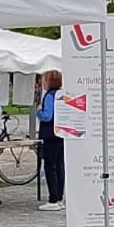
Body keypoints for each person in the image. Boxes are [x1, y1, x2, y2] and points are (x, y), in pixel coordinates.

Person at [36, 69, 65, 210]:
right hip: (60, 134)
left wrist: (38, 111)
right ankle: (59, 197)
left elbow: (47, 115)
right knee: (59, 165)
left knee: (50, 166)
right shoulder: (60, 94)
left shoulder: (49, 96)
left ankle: (53, 198)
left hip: (50, 135)